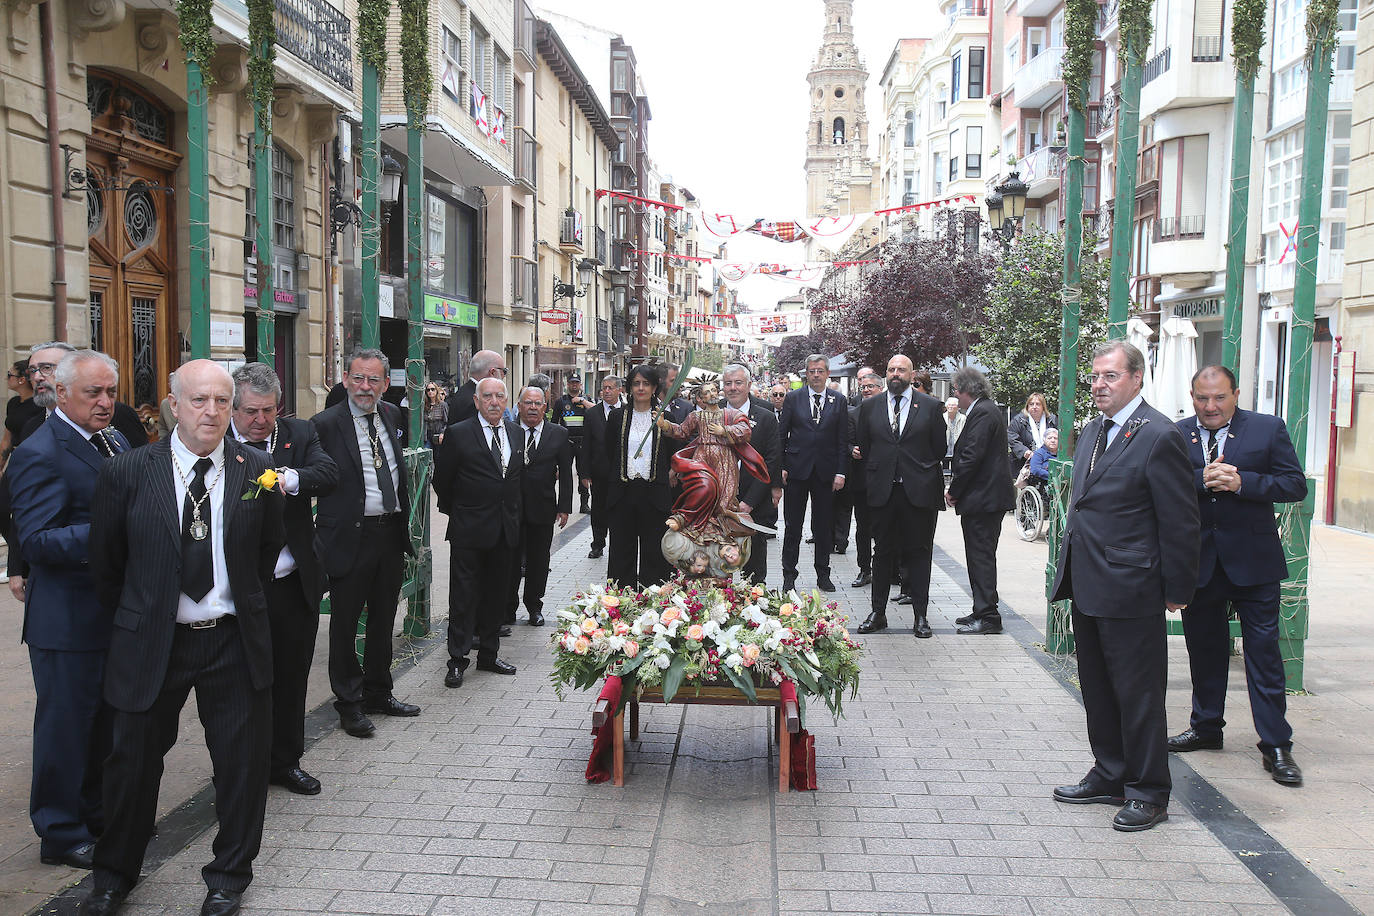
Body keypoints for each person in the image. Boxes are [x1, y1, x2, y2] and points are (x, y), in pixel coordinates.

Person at [83, 359, 285, 916]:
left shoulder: (258, 470)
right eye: (199, 400)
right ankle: (114, 874)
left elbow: (265, 554)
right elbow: (107, 565)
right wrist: (145, 613)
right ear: (174, 405)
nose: (212, 412)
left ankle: (228, 878)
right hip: (154, 640)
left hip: (232, 641)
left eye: (222, 401)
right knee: (132, 764)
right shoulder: (127, 471)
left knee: (241, 766)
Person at [1050, 340, 1199, 832]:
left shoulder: (1159, 435)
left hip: (1133, 586)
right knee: (1097, 688)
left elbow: (1179, 519)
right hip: (1090, 581)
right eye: (1095, 376)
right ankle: (1110, 773)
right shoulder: (1094, 430)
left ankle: (1149, 790)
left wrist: (1178, 587)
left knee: (1138, 694)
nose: (1098, 385)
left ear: (1137, 378)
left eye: (1110, 376)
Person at [9, 351, 128, 871]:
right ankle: (59, 831)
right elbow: (35, 541)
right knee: (64, 729)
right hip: (65, 621)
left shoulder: (112, 438)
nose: (105, 403)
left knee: (103, 727)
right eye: (93, 394)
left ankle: (94, 815)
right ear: (60, 394)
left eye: (110, 393)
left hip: (108, 614)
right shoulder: (41, 451)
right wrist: (112, 533)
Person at [1167, 365, 1307, 787]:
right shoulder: (1176, 434)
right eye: (1202, 398)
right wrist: (1201, 479)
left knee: (1262, 652)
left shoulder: (1268, 429)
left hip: (1254, 561)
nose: (1211, 407)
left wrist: (1243, 481)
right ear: (1191, 396)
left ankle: (1276, 745)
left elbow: (1293, 485)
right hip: (1200, 563)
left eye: (1220, 398)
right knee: (1204, 649)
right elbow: (1162, 484)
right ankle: (1206, 727)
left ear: (1236, 394)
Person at [230, 363, 339, 797]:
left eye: (269, 411)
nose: (260, 421)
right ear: (234, 408)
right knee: (243, 684)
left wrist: (287, 478)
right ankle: (240, 769)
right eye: (251, 412)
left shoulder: (298, 433)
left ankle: (286, 761)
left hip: (293, 581)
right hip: (241, 587)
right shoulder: (217, 440)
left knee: (292, 677)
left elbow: (328, 474)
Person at [311, 349, 419, 740]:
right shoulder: (324, 424)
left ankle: (379, 692)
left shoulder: (391, 416)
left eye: (374, 380)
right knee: (344, 623)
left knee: (382, 618)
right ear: (345, 379)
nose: (365, 387)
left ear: (386, 385)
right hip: (348, 537)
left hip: (388, 534)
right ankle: (349, 703)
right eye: (358, 378)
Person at [435, 377, 524, 687]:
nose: (494, 402)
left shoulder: (515, 432)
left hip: (504, 530)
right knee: (463, 597)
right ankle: (457, 660)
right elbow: (442, 481)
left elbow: (515, 480)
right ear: (476, 401)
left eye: (500, 396)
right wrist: (461, 512)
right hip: (469, 530)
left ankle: (488, 654)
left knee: (496, 596)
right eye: (487, 396)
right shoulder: (458, 435)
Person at [855, 355, 946, 637]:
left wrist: (915, 470)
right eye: (891, 369)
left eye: (901, 370)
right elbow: (866, 447)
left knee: (919, 554)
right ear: (886, 374)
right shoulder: (870, 407)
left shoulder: (930, 407)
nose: (896, 374)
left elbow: (939, 448)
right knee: (881, 553)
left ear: (910, 374)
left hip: (918, 493)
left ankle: (921, 616)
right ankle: (878, 613)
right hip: (883, 491)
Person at [946, 367, 1016, 635]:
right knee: (978, 557)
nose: (955, 396)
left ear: (966, 390)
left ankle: (988, 616)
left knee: (981, 557)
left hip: (984, 499)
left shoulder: (983, 412)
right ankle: (981, 608)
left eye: (956, 391)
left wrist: (955, 490)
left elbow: (971, 456)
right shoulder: (984, 410)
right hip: (985, 499)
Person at [778, 354, 849, 593]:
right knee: (793, 525)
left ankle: (823, 574)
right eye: (811, 371)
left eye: (820, 371)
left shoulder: (838, 400)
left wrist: (841, 471)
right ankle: (789, 575)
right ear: (805, 374)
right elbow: (782, 435)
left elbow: (842, 440)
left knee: (823, 525)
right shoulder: (793, 399)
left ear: (828, 373)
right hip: (797, 469)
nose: (816, 375)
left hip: (826, 472)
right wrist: (781, 466)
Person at [505, 385, 572, 628]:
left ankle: (534, 606)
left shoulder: (558, 434)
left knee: (538, 561)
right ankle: (507, 609)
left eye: (537, 403)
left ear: (545, 407)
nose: (532, 408)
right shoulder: (508, 431)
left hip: (543, 509)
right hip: (511, 509)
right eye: (528, 403)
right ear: (519, 406)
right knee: (510, 560)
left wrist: (565, 506)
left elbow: (566, 473)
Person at [604, 365, 673, 588]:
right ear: (629, 387)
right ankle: (621, 600)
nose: (641, 388)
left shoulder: (665, 418)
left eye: (646, 383)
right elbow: (608, 452)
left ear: (654, 387)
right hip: (623, 492)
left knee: (654, 551)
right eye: (636, 383)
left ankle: (653, 599)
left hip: (655, 494)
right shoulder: (617, 417)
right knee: (621, 549)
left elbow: (674, 453)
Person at [720, 364, 781, 585]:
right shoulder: (712, 413)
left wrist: (749, 502)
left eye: (738, 383)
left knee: (754, 565)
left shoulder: (765, 417)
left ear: (748, 385)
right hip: (718, 501)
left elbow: (771, 461)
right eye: (728, 383)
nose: (733, 388)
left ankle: (754, 609)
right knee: (719, 562)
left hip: (754, 499)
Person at [847, 370, 883, 588]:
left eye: (871, 386)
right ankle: (864, 569)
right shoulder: (853, 414)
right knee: (863, 528)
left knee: (885, 528)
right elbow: (845, 442)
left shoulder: (890, 412)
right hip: (861, 479)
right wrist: (851, 449)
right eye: (864, 387)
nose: (867, 390)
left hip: (885, 481)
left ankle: (885, 569)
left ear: (880, 388)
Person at [581, 376, 621, 560]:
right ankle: (597, 544)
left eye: (610, 388)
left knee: (620, 509)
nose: (606, 391)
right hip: (600, 472)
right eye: (604, 388)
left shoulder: (628, 411)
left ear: (619, 390)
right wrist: (585, 473)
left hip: (622, 472)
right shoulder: (592, 414)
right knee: (598, 509)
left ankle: (619, 543)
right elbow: (586, 445)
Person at [555, 375, 591, 513]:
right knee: (565, 474)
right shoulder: (561, 402)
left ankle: (584, 503)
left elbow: (596, 412)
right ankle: (564, 504)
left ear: (580, 384)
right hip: (566, 443)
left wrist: (583, 401)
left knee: (584, 474)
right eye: (571, 383)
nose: (574, 385)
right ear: (567, 384)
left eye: (576, 383)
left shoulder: (586, 400)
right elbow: (554, 422)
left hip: (583, 442)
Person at [449, 350, 508, 425]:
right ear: (492, 372)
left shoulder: (463, 392)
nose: (504, 376)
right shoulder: (474, 402)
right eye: (504, 371)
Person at [1007, 392, 1057, 479]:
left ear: (1043, 407)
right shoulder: (1019, 420)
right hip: (1024, 462)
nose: (1034, 407)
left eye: (1038, 404)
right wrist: (1023, 451)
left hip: (1047, 459)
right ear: (1027, 406)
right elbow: (1012, 437)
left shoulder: (1051, 420)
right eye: (1031, 404)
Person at [3, 358, 39, 464]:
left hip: (34, 459)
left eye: (10, 375)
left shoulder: (40, 405)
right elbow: (7, 439)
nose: (6, 379)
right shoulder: (13, 403)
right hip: (16, 458)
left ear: (22, 380)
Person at [423, 382, 448, 449]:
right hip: (427, 435)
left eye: (432, 389)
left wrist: (442, 433)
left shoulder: (443, 405)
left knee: (437, 456)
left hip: (438, 435)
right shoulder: (425, 405)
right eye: (428, 390)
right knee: (427, 453)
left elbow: (447, 421)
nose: (430, 391)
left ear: (436, 391)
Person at [943, 396, 965, 471]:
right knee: (944, 467)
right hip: (945, 445)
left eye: (953, 405)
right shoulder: (942, 417)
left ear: (958, 407)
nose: (950, 407)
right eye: (949, 405)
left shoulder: (963, 418)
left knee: (956, 467)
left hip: (957, 446)